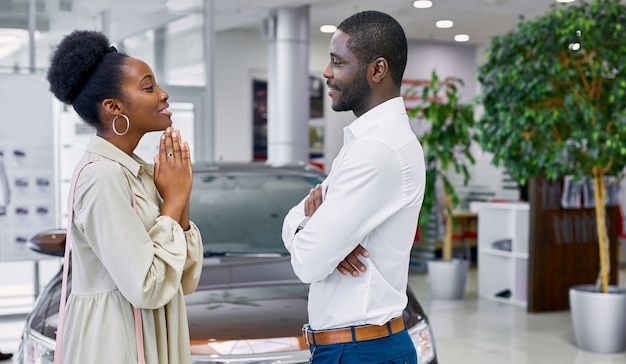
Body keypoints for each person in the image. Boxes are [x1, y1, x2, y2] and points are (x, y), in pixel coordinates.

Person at [46, 30, 203, 363]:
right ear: (114, 107)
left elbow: (183, 280)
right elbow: (147, 286)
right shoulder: (102, 176)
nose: (163, 95)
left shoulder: (136, 174)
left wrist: (180, 195)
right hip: (117, 344)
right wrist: (173, 202)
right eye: (148, 87)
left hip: (147, 334)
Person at [282, 10, 425, 364]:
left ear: (377, 70)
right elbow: (296, 221)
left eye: (337, 62)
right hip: (356, 347)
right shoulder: (371, 142)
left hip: (362, 351)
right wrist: (319, 234)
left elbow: (308, 263)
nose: (327, 73)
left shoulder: (377, 150)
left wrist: (318, 236)